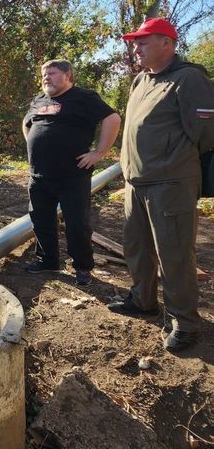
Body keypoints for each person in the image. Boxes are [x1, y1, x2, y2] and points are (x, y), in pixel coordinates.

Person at [108, 18, 214, 352]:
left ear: (167, 43)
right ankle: (143, 300)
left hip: (171, 183)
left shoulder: (190, 78)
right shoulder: (142, 79)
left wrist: (174, 162)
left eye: (143, 42)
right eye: (135, 43)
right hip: (137, 182)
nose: (135, 48)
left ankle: (184, 322)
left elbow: (206, 134)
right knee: (136, 247)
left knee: (175, 252)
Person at [23, 59, 121, 286]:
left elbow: (112, 118)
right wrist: (33, 143)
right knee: (40, 220)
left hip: (72, 176)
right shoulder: (39, 100)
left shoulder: (84, 98)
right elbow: (27, 123)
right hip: (39, 176)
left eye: (52, 73)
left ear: (68, 75)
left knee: (77, 223)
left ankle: (82, 267)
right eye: (43, 74)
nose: (46, 77)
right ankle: (47, 261)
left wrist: (99, 152)